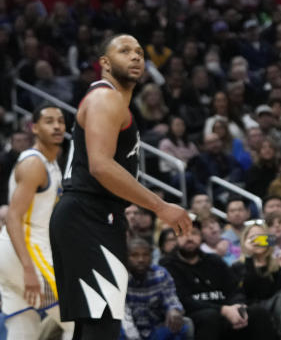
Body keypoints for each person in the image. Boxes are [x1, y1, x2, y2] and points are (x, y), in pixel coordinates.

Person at [51, 34, 191, 340]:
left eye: (140, 52)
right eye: (125, 51)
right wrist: (160, 206)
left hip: (89, 214)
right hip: (88, 214)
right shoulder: (106, 97)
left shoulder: (113, 102)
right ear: (104, 62)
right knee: (103, 325)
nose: (136, 56)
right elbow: (101, 166)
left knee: (91, 325)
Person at [0, 105, 74, 339]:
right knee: (82, 322)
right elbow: (13, 216)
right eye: (49, 121)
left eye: (60, 121)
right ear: (34, 128)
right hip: (27, 253)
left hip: (12, 254)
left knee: (23, 329)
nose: (56, 126)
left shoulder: (50, 163)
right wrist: (28, 270)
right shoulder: (34, 165)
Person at [160, 219, 272, 340]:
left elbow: (234, 289)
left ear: (201, 237)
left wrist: (238, 306)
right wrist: (223, 310)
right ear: (176, 239)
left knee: (258, 312)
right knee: (210, 317)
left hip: (227, 310)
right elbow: (183, 301)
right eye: (183, 234)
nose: (189, 238)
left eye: (194, 233)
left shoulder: (214, 260)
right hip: (197, 314)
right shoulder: (167, 265)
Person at [230, 221, 281, 340]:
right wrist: (249, 257)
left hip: (276, 305)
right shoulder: (238, 266)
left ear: (269, 240)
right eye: (252, 238)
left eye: (262, 237)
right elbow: (248, 291)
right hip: (252, 308)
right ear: (245, 242)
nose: (258, 241)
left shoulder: (275, 263)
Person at [125, 236, 190, 340]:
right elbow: (123, 314)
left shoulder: (160, 274)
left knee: (181, 326)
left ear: (151, 257)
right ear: (126, 257)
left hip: (156, 329)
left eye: (145, 255)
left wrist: (173, 310)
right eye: (134, 255)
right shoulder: (121, 277)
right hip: (129, 329)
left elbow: (171, 298)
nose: (141, 260)